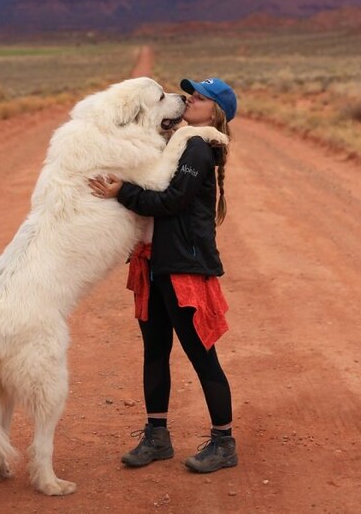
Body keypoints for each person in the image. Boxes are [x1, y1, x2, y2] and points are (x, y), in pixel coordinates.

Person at [89, 77, 238, 474]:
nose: (192, 98)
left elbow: (170, 201)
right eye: (192, 92)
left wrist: (121, 192)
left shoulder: (197, 147)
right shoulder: (178, 139)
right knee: (154, 351)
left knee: (201, 355)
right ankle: (157, 436)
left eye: (203, 96)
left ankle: (224, 442)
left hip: (183, 266)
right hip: (153, 261)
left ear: (216, 112)